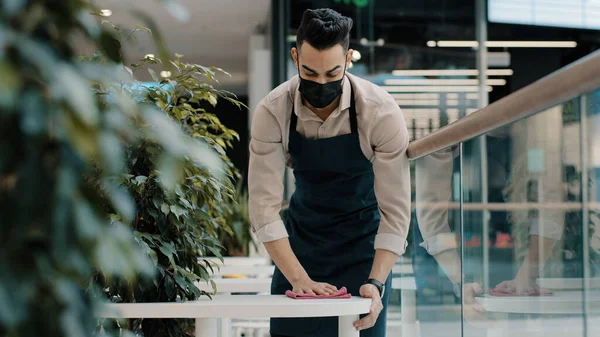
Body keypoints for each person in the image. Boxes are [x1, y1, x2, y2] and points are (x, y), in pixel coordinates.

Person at [247, 8, 411, 337]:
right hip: (300, 248)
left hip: (364, 251)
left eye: (332, 74)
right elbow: (263, 206)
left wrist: (375, 281)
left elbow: (395, 212)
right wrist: (299, 279)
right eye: (310, 73)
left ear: (349, 59)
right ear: (295, 57)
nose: (321, 83)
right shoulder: (273, 110)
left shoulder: (380, 112)